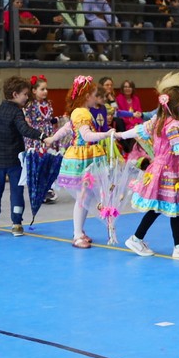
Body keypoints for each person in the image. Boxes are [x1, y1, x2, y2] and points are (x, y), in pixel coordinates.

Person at [125, 73, 179, 260]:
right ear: (177, 105)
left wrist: (118, 134)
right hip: (168, 171)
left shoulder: (157, 121)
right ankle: (171, 244)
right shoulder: (173, 125)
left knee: (164, 206)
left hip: (160, 169)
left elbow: (136, 131)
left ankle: (160, 241)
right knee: (168, 205)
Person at [55, 75, 122, 249]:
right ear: (87, 96)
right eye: (94, 94)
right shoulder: (82, 113)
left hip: (88, 156)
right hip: (82, 158)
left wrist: (51, 139)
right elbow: (86, 136)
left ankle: (79, 231)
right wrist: (106, 134)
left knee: (86, 195)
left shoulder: (81, 112)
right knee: (83, 196)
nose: (96, 97)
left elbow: (67, 127)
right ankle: (77, 234)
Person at [0, 76, 54, 237]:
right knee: (17, 191)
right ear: (15, 94)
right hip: (15, 161)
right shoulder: (16, 112)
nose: (27, 97)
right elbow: (25, 129)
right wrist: (43, 136)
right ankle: (17, 225)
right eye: (25, 94)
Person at [23, 75, 66, 204]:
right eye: (42, 89)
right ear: (34, 90)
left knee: (48, 160)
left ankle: (47, 188)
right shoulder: (29, 105)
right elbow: (27, 121)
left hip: (48, 135)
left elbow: (48, 119)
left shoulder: (48, 103)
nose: (45, 91)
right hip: (36, 137)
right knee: (38, 162)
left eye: (46, 89)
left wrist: (57, 120)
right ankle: (38, 189)